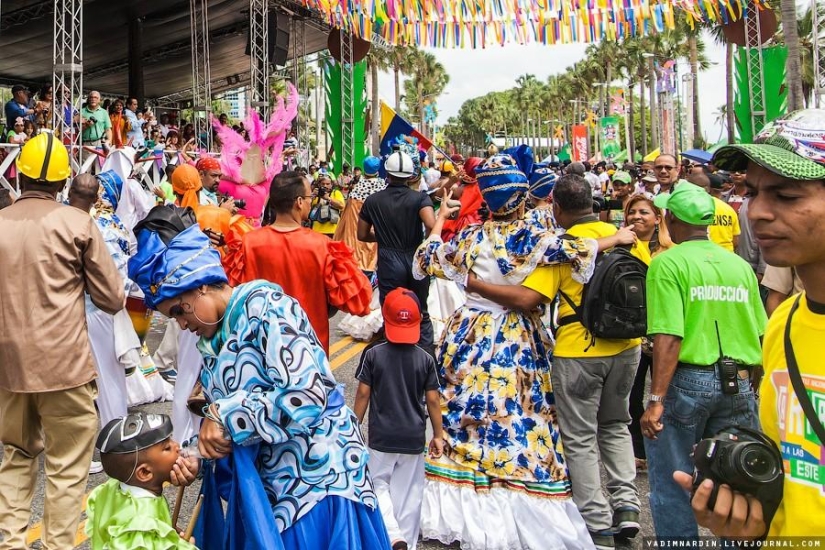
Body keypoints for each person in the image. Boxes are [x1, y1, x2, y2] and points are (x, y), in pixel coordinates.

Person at [127, 207, 391, 548]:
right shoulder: (213, 339)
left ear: (201, 285)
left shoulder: (267, 306)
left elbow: (308, 395)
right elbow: (233, 423)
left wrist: (223, 416)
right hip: (273, 494)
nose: (181, 324)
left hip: (316, 484)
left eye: (179, 310)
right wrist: (196, 455)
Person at [416, 157, 635, 550]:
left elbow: (427, 257)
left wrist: (440, 221)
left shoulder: (468, 237)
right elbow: (577, 248)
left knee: (462, 408)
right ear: (521, 198)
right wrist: (615, 238)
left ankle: (460, 485)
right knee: (521, 408)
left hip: (469, 331)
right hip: (517, 334)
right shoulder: (532, 235)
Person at [673, 108, 825, 538]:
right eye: (753, 192)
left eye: (786, 196)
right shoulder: (782, 324)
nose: (757, 211)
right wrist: (749, 527)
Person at [0, 133, 125, 549]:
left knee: (16, 456)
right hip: (65, 367)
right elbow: (112, 299)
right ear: (61, 181)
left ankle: (11, 543)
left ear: (20, 175)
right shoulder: (78, 223)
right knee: (67, 467)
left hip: (8, 369)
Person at [641, 183, 765, 539]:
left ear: (671, 218)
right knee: (735, 482)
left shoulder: (667, 263)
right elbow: (760, 332)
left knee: (673, 480)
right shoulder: (739, 266)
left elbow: (669, 337)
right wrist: (752, 383)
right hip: (739, 382)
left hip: (687, 382)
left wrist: (655, 400)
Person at [228, 171, 371, 354]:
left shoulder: (247, 244)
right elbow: (358, 301)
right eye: (310, 197)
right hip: (308, 350)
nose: (311, 201)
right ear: (299, 202)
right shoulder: (322, 246)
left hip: (261, 347)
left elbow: (231, 299)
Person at [353, 288, 444, 550]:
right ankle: (407, 542)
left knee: (377, 484)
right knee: (409, 494)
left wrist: (354, 426)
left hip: (382, 438)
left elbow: (363, 394)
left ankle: (392, 535)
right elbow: (433, 400)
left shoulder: (373, 354)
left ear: (385, 317)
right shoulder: (426, 358)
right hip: (413, 438)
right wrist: (438, 435)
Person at [358, 149, 436, 352]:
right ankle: (426, 360)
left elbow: (362, 234)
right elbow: (431, 225)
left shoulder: (373, 201)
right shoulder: (420, 199)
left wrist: (383, 237)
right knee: (421, 312)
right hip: (415, 260)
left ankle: (393, 360)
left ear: (387, 173)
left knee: (391, 312)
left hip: (388, 261)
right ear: (411, 175)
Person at [86, 413, 199, 549]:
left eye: (171, 439)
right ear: (144, 473)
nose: (177, 446)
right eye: (167, 448)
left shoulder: (111, 489)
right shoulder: (142, 525)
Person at [623, 195, 673, 473]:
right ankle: (638, 451)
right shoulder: (621, 248)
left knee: (665, 394)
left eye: (644, 212)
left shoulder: (670, 251)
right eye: (632, 212)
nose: (637, 217)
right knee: (631, 395)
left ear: (658, 218)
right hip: (632, 333)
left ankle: (665, 448)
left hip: (665, 332)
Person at [333, 155, 386, 273]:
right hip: (379, 244)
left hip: (357, 243)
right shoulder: (384, 190)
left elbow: (346, 222)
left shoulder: (356, 191)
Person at [686, 170, 741, 252]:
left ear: (708, 189)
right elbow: (735, 241)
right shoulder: (729, 210)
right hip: (727, 254)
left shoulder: (697, 207)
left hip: (704, 254)